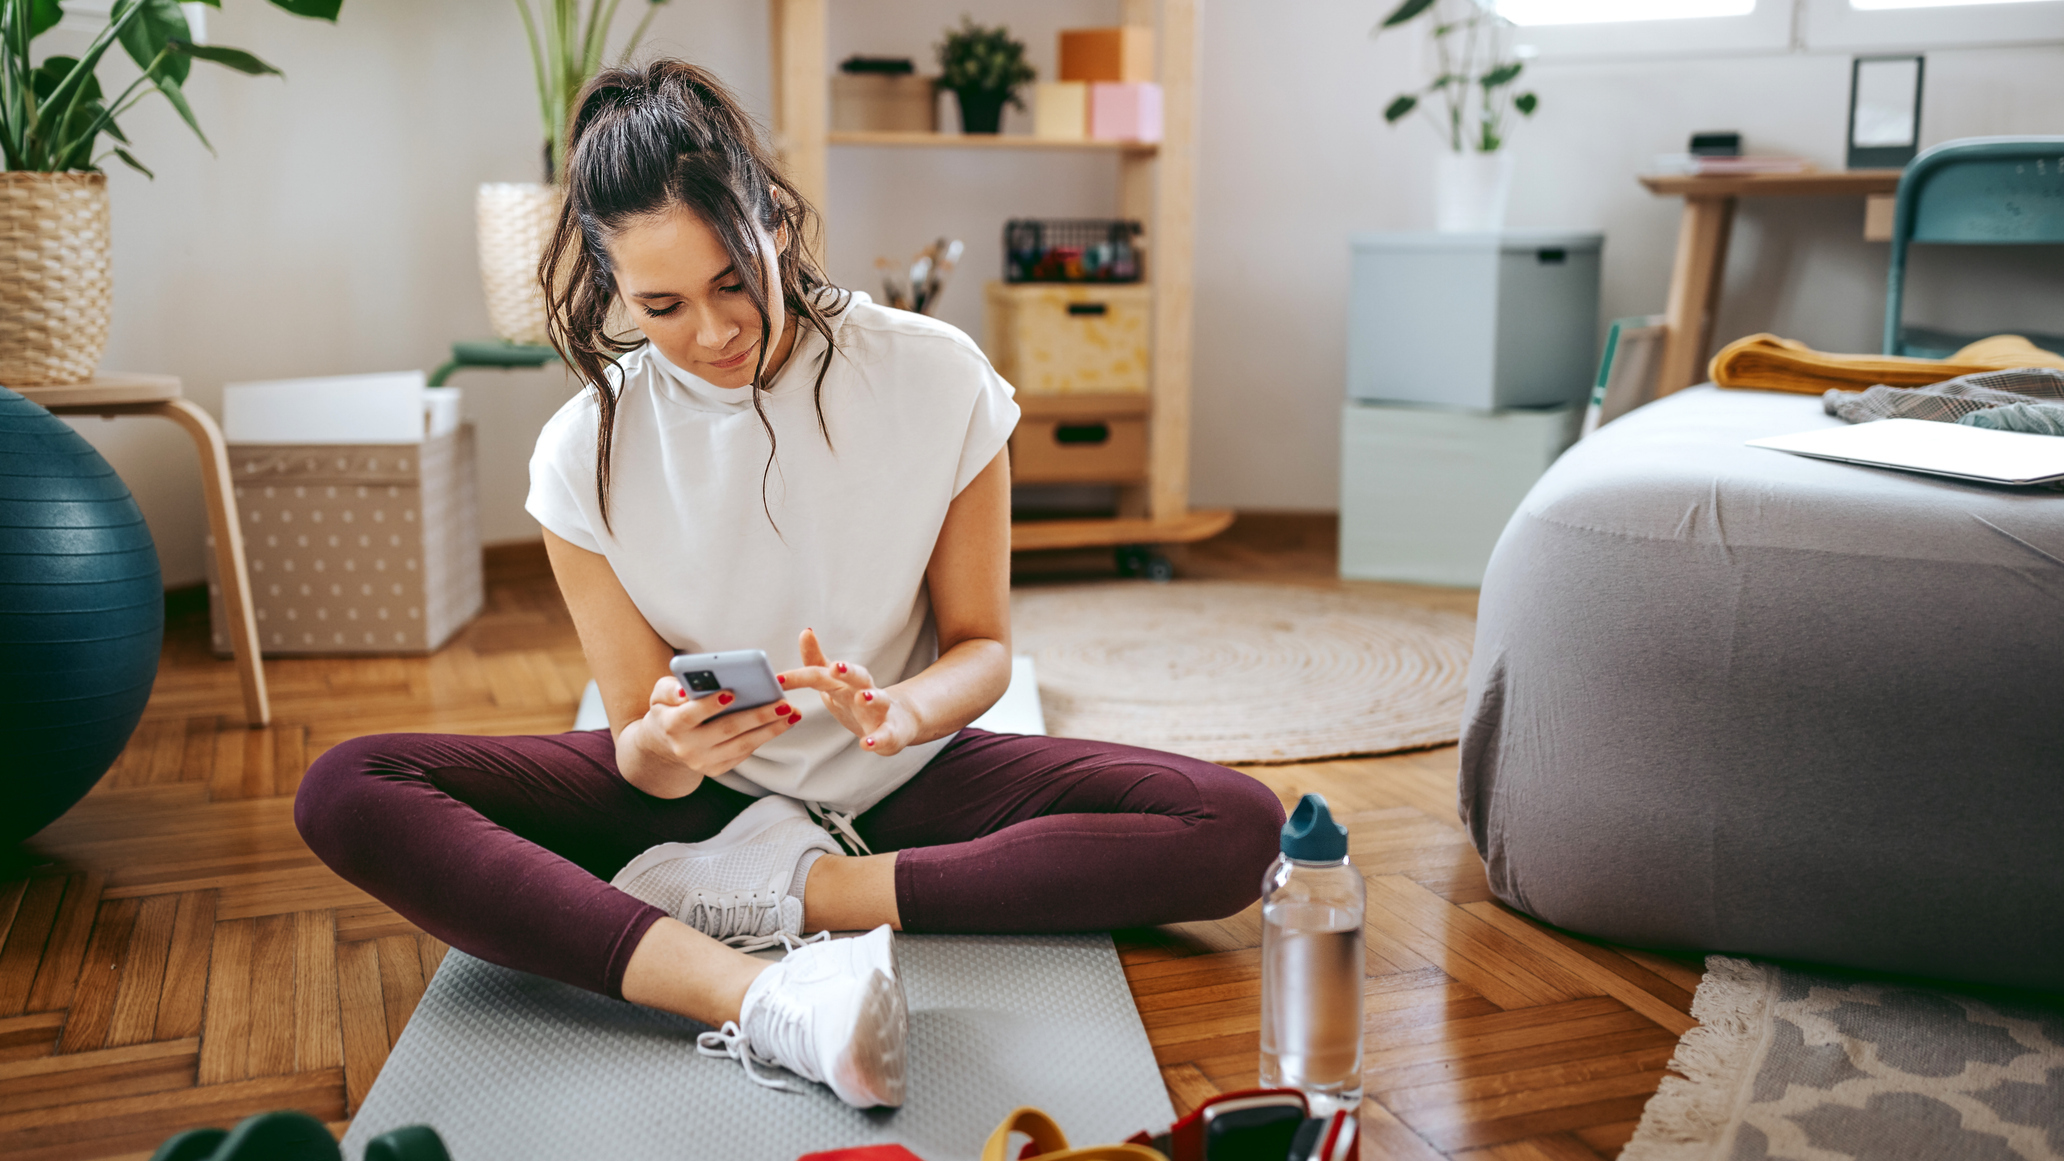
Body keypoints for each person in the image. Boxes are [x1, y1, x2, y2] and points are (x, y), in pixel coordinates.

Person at [295, 60, 1285, 1111]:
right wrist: (669, 747)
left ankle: (814, 890)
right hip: (704, 808)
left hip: (908, 780)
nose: (715, 331)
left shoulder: (935, 375)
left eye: (733, 279)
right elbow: (639, 743)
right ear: (609, 289)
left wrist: (907, 711)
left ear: (772, 220)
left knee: (1238, 829)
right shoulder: (579, 450)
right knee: (349, 789)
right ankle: (758, 997)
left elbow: (983, 645)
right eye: (662, 305)